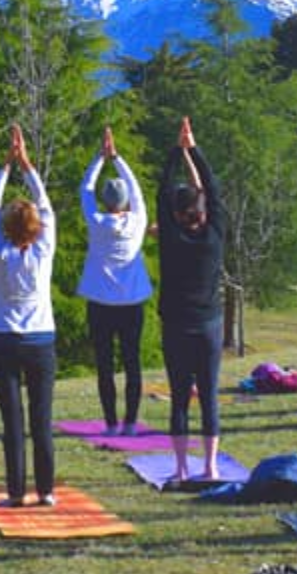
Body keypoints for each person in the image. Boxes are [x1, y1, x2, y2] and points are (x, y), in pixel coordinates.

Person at [0, 123, 58, 507]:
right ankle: (45, 492)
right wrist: (26, 165)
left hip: (1, 338)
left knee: (12, 421)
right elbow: (43, 204)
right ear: (36, 229)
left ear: (6, 229)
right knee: (41, 419)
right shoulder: (43, 252)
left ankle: (16, 492)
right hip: (40, 339)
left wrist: (6, 168)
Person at [157, 116, 226, 482]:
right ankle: (211, 466)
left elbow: (161, 191)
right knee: (210, 396)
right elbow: (213, 190)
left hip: (177, 327)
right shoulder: (214, 235)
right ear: (202, 214)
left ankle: (182, 469)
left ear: (178, 215)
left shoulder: (171, 237)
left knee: (180, 397)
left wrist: (176, 151)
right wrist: (193, 150)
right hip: (209, 326)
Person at [77, 127, 152, 437]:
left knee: (105, 366)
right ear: (126, 203)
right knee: (132, 363)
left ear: (106, 202)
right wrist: (116, 157)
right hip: (132, 302)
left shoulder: (97, 222)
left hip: (101, 303)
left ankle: (110, 423)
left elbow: (85, 189)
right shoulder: (138, 221)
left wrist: (99, 158)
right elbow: (136, 189)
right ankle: (131, 423)